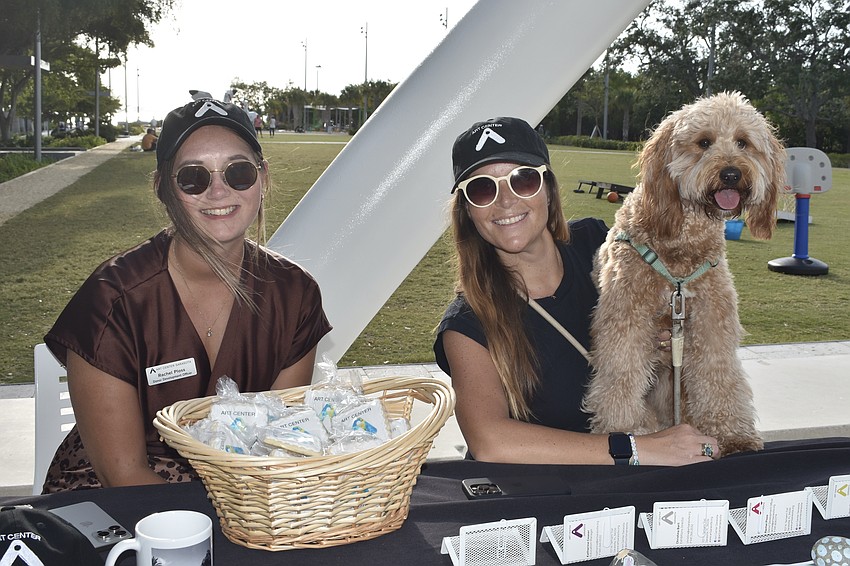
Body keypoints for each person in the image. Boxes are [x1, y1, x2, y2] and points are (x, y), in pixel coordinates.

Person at [42, 98, 332, 492]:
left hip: (244, 496)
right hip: (115, 503)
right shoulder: (113, 301)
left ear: (262, 178)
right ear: (163, 188)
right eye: (193, 177)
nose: (218, 191)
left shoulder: (295, 295)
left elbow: (277, 445)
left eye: (238, 172)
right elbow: (121, 473)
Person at [433, 117, 718, 467]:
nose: (505, 201)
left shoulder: (599, 245)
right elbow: (491, 441)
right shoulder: (467, 325)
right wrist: (635, 448)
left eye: (522, 180)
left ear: (548, 190)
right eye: (481, 189)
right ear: (467, 211)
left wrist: (666, 335)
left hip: (636, 485)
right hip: (546, 501)